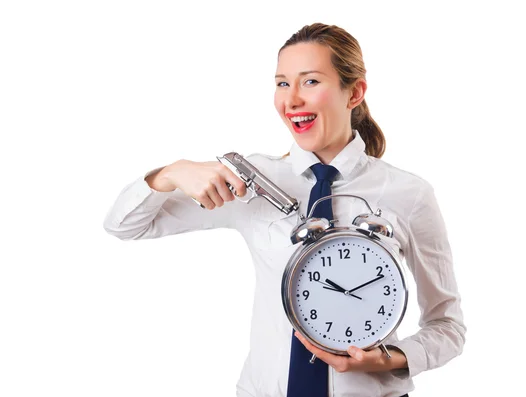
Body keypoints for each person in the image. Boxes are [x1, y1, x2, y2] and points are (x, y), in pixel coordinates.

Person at [103, 22, 466, 397]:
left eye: (310, 82)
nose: (291, 100)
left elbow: (448, 327)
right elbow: (124, 226)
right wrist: (170, 173)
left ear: (354, 92)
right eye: (282, 83)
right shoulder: (252, 182)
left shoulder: (409, 193)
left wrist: (386, 359)